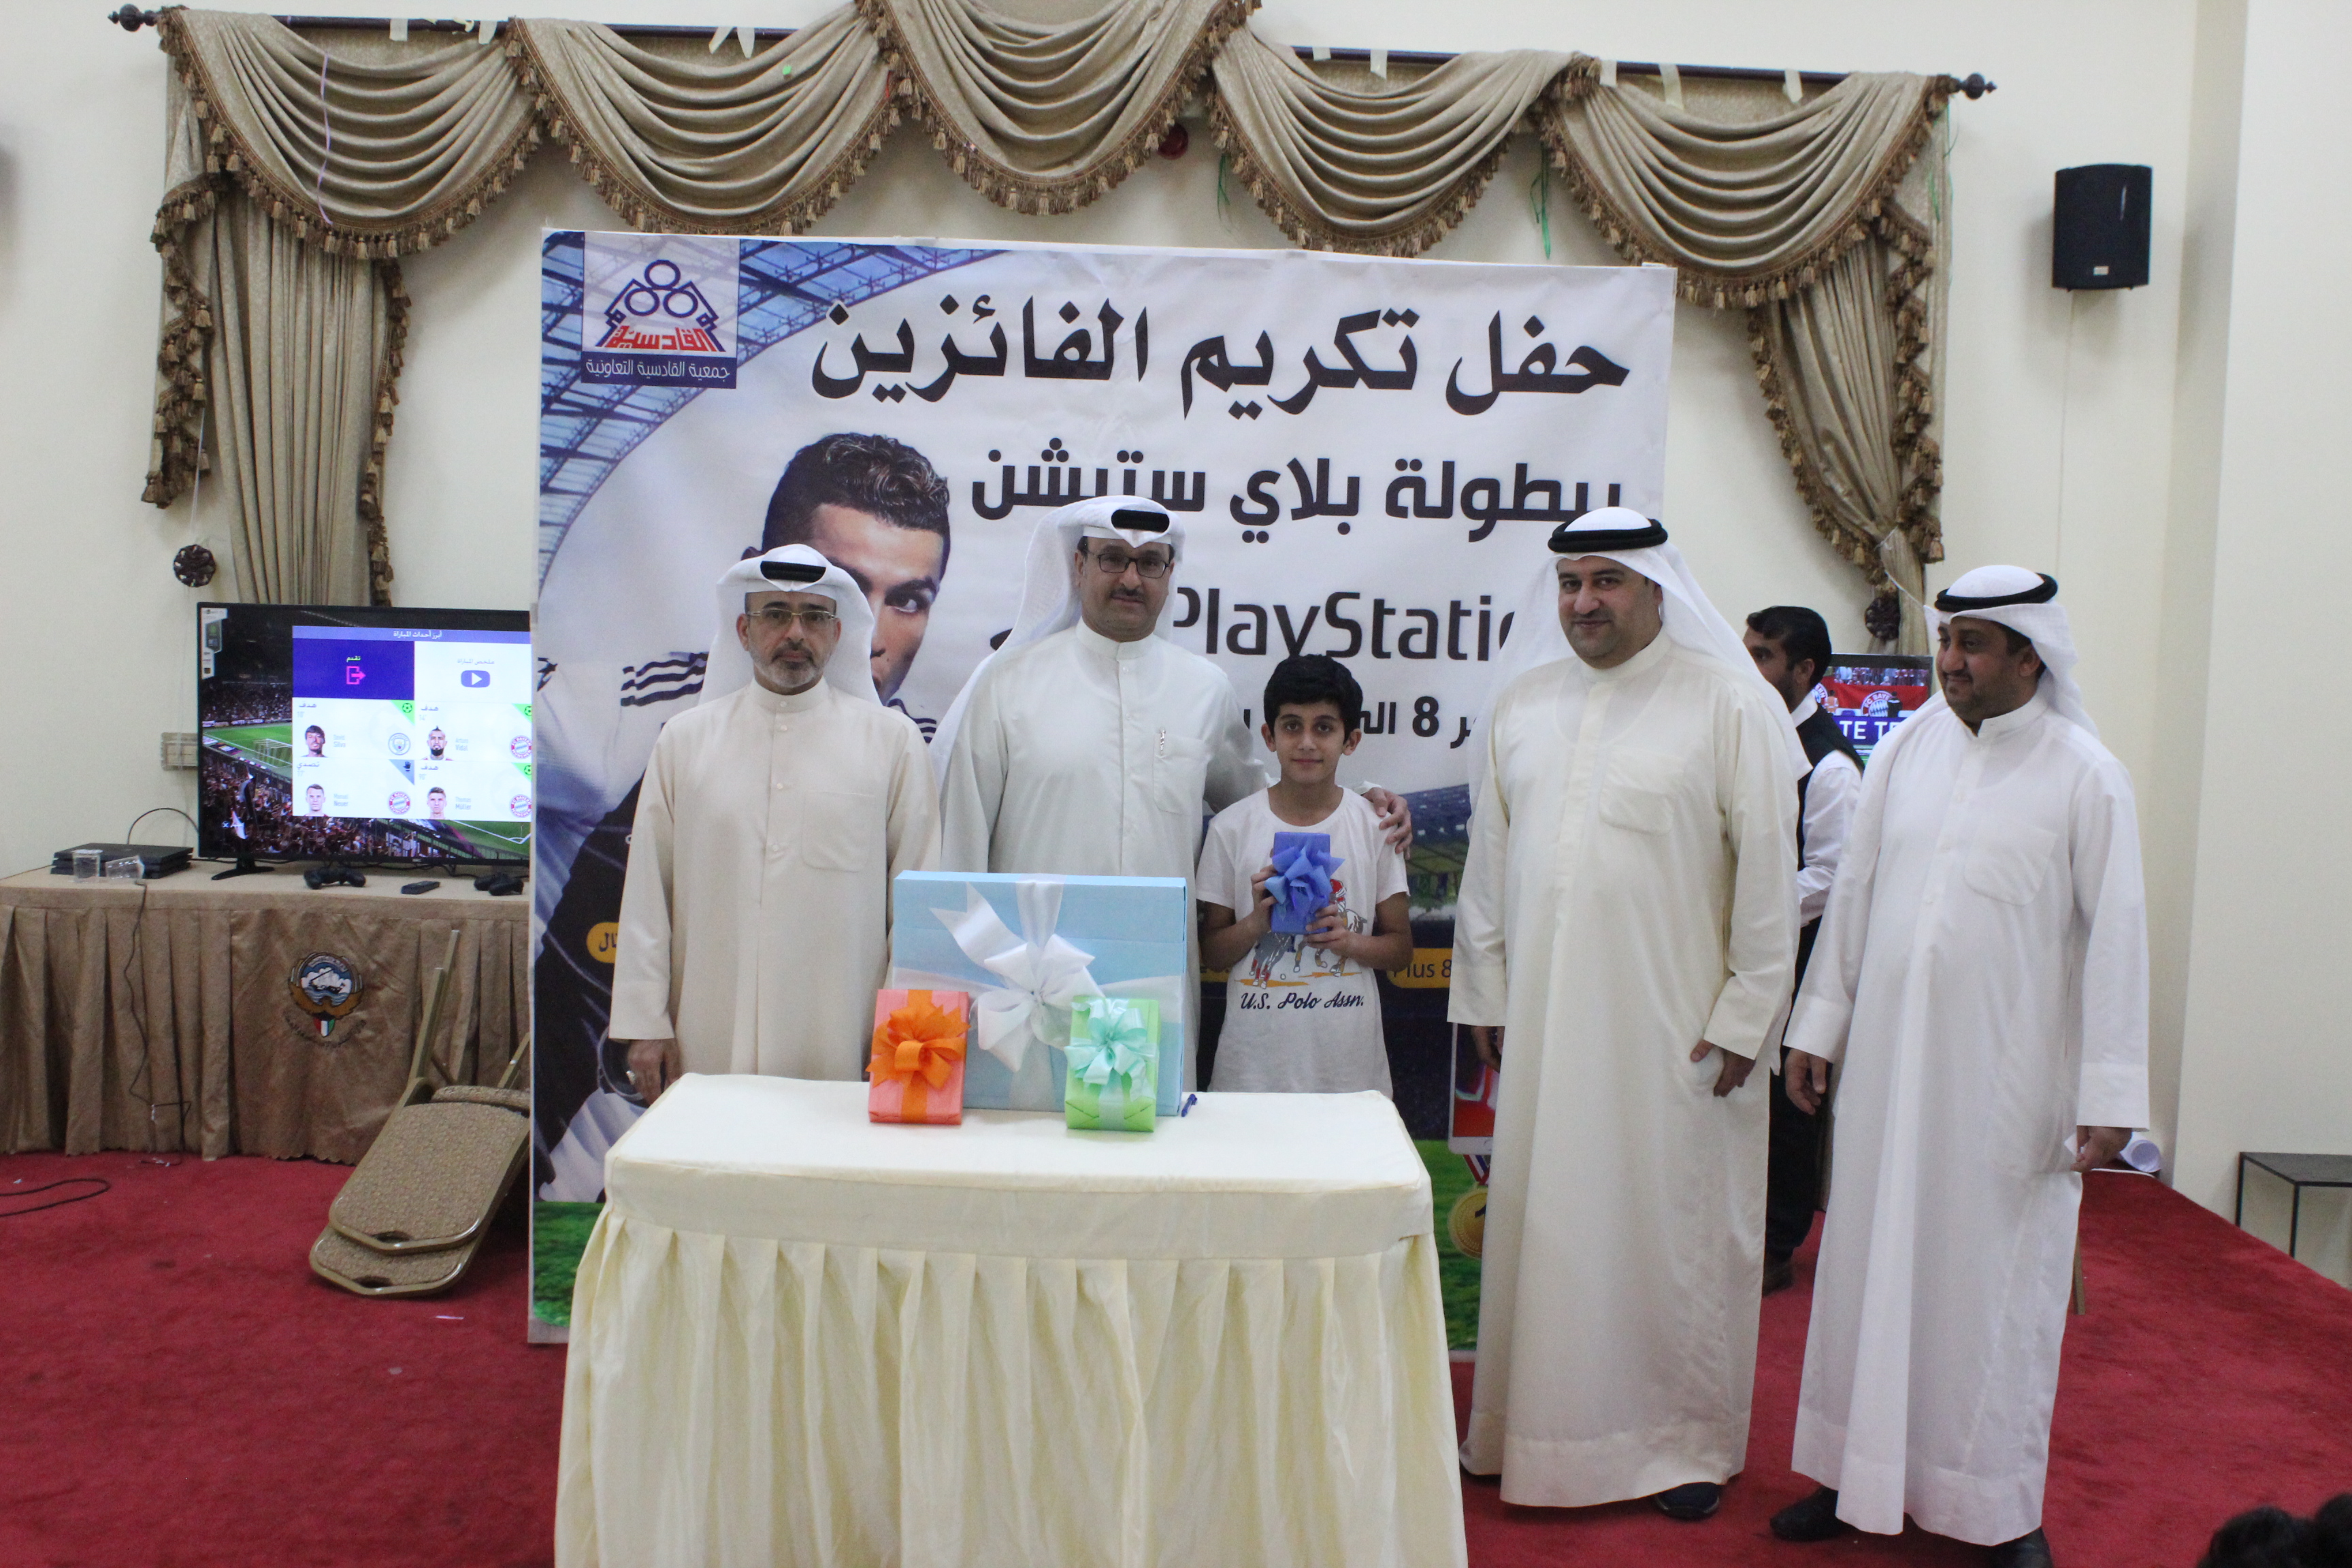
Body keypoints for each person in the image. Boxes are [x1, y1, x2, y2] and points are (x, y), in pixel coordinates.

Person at [1770, 566, 2151, 1568]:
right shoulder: (1906, 749)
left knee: (1990, 1296)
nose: (1949, 662)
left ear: (2032, 655)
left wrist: (2112, 1092)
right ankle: (1847, 1475)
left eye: (1972, 644)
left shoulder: (2086, 775)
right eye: (1947, 640)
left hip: (2005, 1090)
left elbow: (2119, 941)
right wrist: (1818, 1028)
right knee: (1861, 1273)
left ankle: (1998, 1511)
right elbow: (1854, 897)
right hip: (1888, 1076)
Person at [1450, 508, 1803, 1521]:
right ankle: (1524, 1432)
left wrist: (1746, 1017)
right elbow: (1488, 868)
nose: (1584, 602)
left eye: (1607, 581)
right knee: (1550, 1230)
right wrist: (1486, 991)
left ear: (1656, 588)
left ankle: (1678, 1447)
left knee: (1670, 1237)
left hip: (1674, 1035)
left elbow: (1769, 883)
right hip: (1547, 1028)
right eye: (1570, 583)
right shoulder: (1524, 705)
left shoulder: (1730, 705)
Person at [935, 495, 1410, 1082]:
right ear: (1078, 566)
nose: (1131, 579)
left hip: (1153, 981)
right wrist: (954, 987)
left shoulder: (1203, 689)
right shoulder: (1007, 684)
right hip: (1026, 982)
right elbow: (959, 846)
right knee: (1029, 1131)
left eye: (1150, 562)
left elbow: (1261, 802)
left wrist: (1363, 800)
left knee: (1152, 1135)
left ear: (1169, 574)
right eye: (1113, 558)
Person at [608, 545, 938, 1100]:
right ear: (743, 630)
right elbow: (648, 893)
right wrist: (645, 1023)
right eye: (776, 614)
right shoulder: (686, 741)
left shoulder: (892, 744)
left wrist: (901, 1032)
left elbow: (916, 901)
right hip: (709, 1031)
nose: (795, 633)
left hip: (844, 1038)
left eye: (814, 617)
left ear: (838, 634)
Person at [1197, 655, 1412, 1094]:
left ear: (1351, 740)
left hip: (1349, 1076)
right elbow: (1212, 953)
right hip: (1252, 1076)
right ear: (1269, 737)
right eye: (1292, 726)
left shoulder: (1376, 828)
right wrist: (1258, 922)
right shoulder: (1230, 828)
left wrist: (1348, 941)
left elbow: (1402, 949)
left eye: (1324, 728)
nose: (1307, 742)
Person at [1743, 605, 1863, 1293]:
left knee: (1789, 1108)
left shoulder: (1831, 766)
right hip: (1750, 953)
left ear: (1805, 670)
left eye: (1763, 656)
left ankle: (1778, 1243)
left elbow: (1832, 875)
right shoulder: (1752, 735)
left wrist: (1749, 912)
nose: (1748, 668)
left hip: (1801, 959)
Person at [760, 432, 951, 734]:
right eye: (840, 587)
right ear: (750, 584)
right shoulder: (676, 716)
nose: (870, 642)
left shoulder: (931, 753)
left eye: (906, 601)